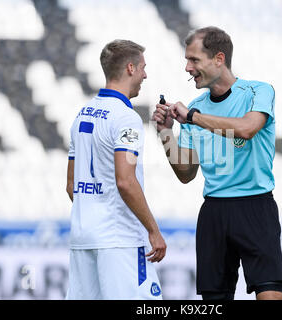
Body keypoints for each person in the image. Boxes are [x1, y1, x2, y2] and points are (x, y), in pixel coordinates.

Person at [152, 26, 282, 300]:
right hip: (214, 212)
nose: (188, 68)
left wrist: (194, 118)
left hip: (255, 205)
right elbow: (186, 173)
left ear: (219, 59)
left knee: (271, 294)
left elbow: (248, 128)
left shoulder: (258, 92)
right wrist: (166, 133)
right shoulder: (195, 107)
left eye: (194, 60)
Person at [66, 39, 166, 300]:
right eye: (143, 67)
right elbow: (125, 181)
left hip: (83, 237)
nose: (146, 74)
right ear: (130, 68)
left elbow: (71, 186)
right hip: (119, 240)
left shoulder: (82, 114)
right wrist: (153, 231)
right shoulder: (126, 118)